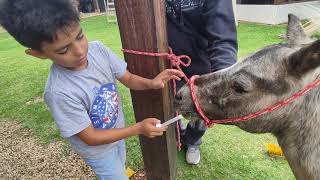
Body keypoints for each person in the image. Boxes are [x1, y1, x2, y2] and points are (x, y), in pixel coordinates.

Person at [0, 0, 184, 179]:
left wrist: (151, 83)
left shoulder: (98, 51)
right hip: (98, 151)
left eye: (80, 36)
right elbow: (90, 137)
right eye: (63, 50)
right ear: (39, 54)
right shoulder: (59, 92)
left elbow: (127, 78)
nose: (80, 51)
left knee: (120, 164)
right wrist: (137, 129)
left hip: (116, 134)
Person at [166, 0, 238, 165]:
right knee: (169, 108)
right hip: (167, 66)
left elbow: (222, 38)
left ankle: (192, 142)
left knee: (199, 114)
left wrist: (223, 81)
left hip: (202, 65)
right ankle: (177, 135)